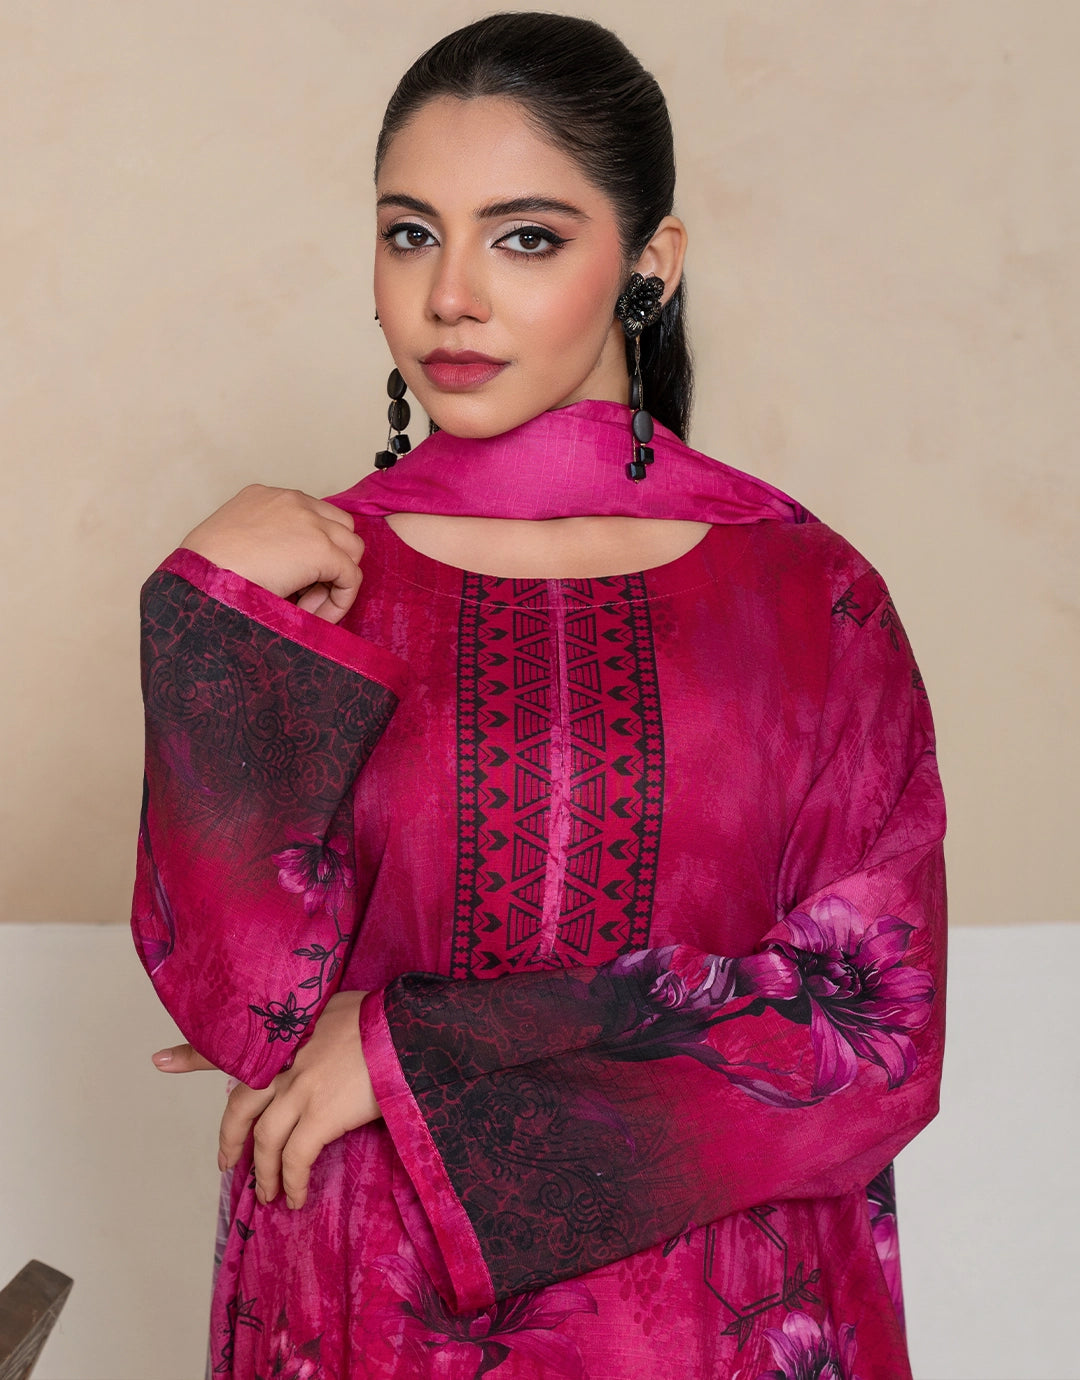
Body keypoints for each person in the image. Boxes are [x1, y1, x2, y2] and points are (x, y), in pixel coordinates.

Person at [133, 13, 946, 1379]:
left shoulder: (806, 595)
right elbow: (242, 1008)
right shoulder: (311, 582)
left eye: (524, 238)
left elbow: (878, 1030)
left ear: (648, 265)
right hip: (367, 1304)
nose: (451, 295)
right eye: (410, 234)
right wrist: (205, 621)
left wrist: (403, 1050)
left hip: (711, 1328)